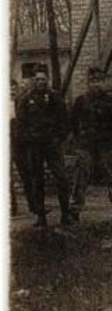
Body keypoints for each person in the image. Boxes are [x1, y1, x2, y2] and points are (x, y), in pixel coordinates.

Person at [16, 66, 73, 228]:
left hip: (52, 145)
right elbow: (21, 125)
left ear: (47, 80)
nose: (40, 82)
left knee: (61, 177)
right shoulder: (26, 99)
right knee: (37, 180)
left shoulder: (55, 98)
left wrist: (59, 138)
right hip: (34, 147)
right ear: (34, 81)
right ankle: (41, 217)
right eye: (37, 79)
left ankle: (66, 214)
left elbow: (64, 121)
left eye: (43, 79)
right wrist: (29, 140)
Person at [70, 66, 112, 221]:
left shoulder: (111, 101)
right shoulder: (81, 101)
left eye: (99, 81)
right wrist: (78, 141)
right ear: (88, 83)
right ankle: (75, 210)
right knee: (80, 177)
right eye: (93, 81)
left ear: (105, 82)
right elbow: (74, 123)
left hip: (107, 144)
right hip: (86, 144)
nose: (96, 84)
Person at [10, 78, 33, 217]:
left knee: (26, 174)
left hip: (20, 144)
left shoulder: (22, 103)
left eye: (14, 89)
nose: (11, 92)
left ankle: (34, 206)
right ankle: (12, 207)